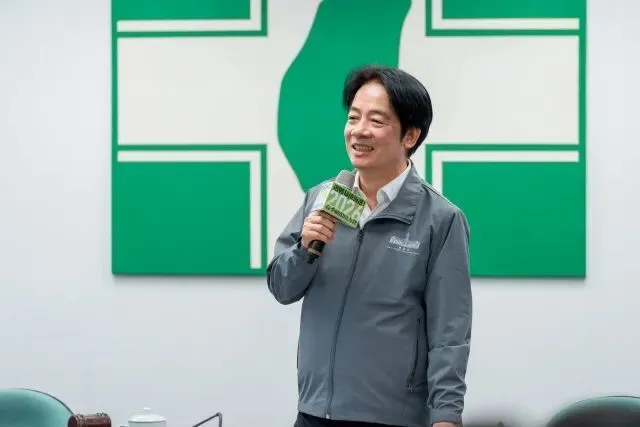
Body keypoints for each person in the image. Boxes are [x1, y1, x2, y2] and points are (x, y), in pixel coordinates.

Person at [267, 65, 472, 427]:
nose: (359, 130)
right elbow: (282, 288)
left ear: (410, 136)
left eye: (376, 121)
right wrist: (306, 249)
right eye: (353, 117)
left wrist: (446, 414)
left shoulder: (440, 219)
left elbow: (450, 333)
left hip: (392, 417)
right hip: (315, 412)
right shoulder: (322, 199)